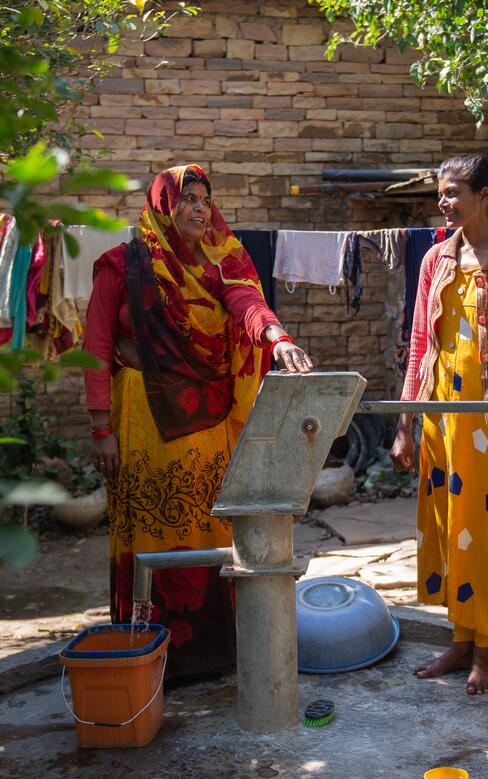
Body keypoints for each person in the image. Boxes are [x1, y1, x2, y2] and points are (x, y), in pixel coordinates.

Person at [82, 164, 312, 679]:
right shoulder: (119, 266)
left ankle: (213, 654)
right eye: (188, 197)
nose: (200, 208)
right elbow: (95, 352)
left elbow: (247, 302)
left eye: (206, 199)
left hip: (207, 424)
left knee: (207, 526)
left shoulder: (219, 264)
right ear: (164, 205)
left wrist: (277, 339)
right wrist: (102, 430)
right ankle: (150, 655)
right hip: (143, 422)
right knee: (150, 528)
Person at [390, 154, 488, 695]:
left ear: (485, 195)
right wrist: (406, 423)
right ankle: (459, 642)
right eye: (441, 192)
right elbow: (418, 347)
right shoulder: (436, 260)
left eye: (454, 192)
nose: (444, 201)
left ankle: (485, 651)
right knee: (451, 531)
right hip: (440, 425)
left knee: (484, 536)